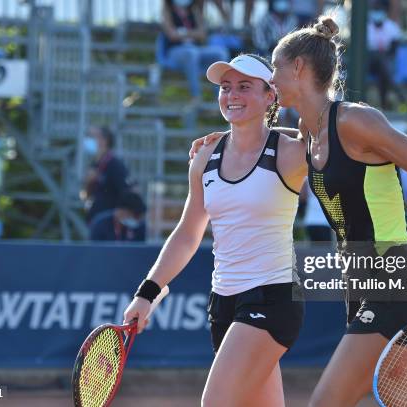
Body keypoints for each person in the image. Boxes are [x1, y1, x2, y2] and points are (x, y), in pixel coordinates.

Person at [191, 16, 407, 406]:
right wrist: (230, 136)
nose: (273, 78)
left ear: (298, 68)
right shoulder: (306, 130)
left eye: (276, 68)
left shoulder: (356, 121)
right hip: (358, 285)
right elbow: (274, 140)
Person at [124, 54, 307, 406]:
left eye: (244, 87)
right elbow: (188, 233)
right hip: (222, 304)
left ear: (271, 95)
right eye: (225, 88)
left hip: (273, 298)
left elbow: (334, 134)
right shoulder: (205, 157)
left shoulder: (290, 152)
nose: (231, 95)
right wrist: (146, 293)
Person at [160, 0, 230, 100]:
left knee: (220, 53)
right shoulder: (167, 11)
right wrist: (193, 33)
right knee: (191, 53)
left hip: (196, 49)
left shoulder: (194, 11)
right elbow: (172, 35)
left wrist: (182, 33)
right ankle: (196, 97)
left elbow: (202, 34)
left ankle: (221, 98)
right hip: (175, 52)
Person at [81, 126, 130, 224]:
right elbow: (85, 196)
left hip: (109, 224)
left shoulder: (115, 165)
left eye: (91, 136)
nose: (87, 140)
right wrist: (87, 183)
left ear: (104, 140)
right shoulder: (94, 164)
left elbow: (124, 193)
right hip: (94, 220)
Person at [367, 0, 404, 109]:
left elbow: (393, 50)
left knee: (383, 68)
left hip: (385, 62)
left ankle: (384, 103)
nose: (377, 12)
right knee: (381, 63)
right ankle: (398, 96)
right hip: (369, 63)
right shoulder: (365, 27)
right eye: (375, 9)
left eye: (379, 9)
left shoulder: (392, 27)